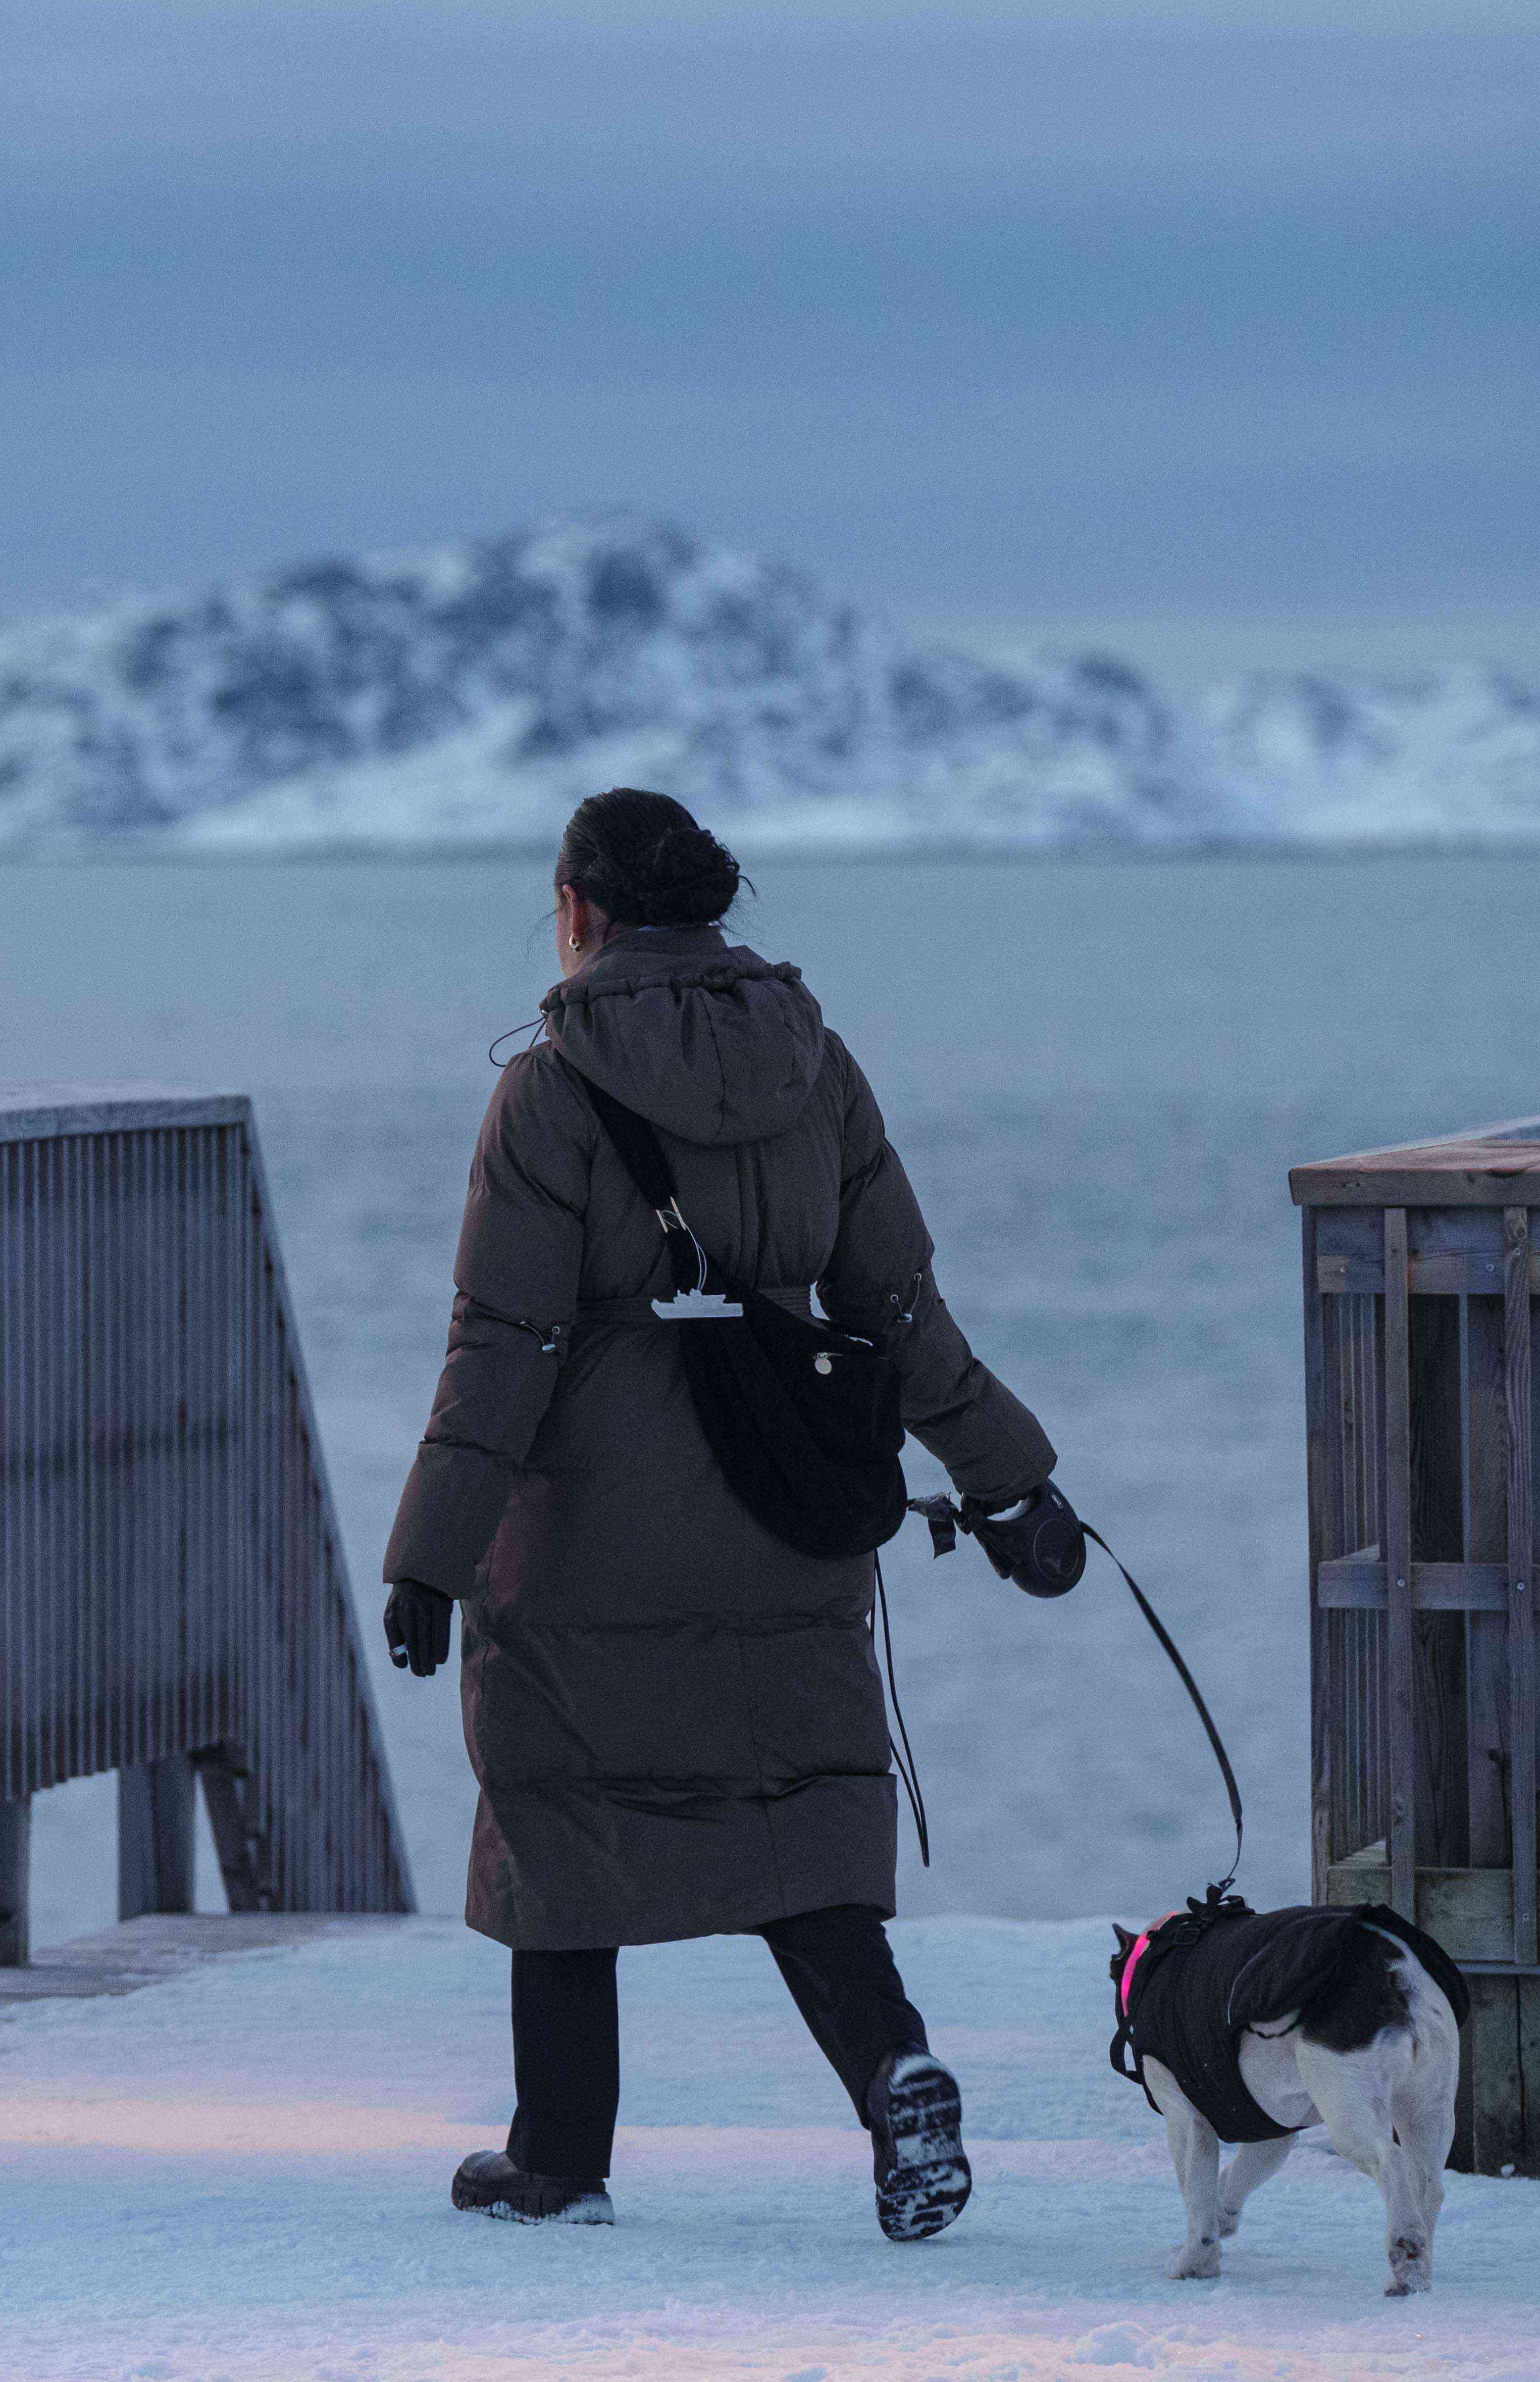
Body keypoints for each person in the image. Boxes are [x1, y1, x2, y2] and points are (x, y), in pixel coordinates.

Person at [381, 787, 1082, 2239]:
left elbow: (499, 1344)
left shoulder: (547, 1090)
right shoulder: (814, 1063)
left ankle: (557, 2158)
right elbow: (894, 1303)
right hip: (786, 1493)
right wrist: (1009, 1480)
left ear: (578, 909)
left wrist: (428, 1563)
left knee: (562, 1812)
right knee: (796, 1807)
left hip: (593, 1520)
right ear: (714, 907)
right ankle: (892, 2074)